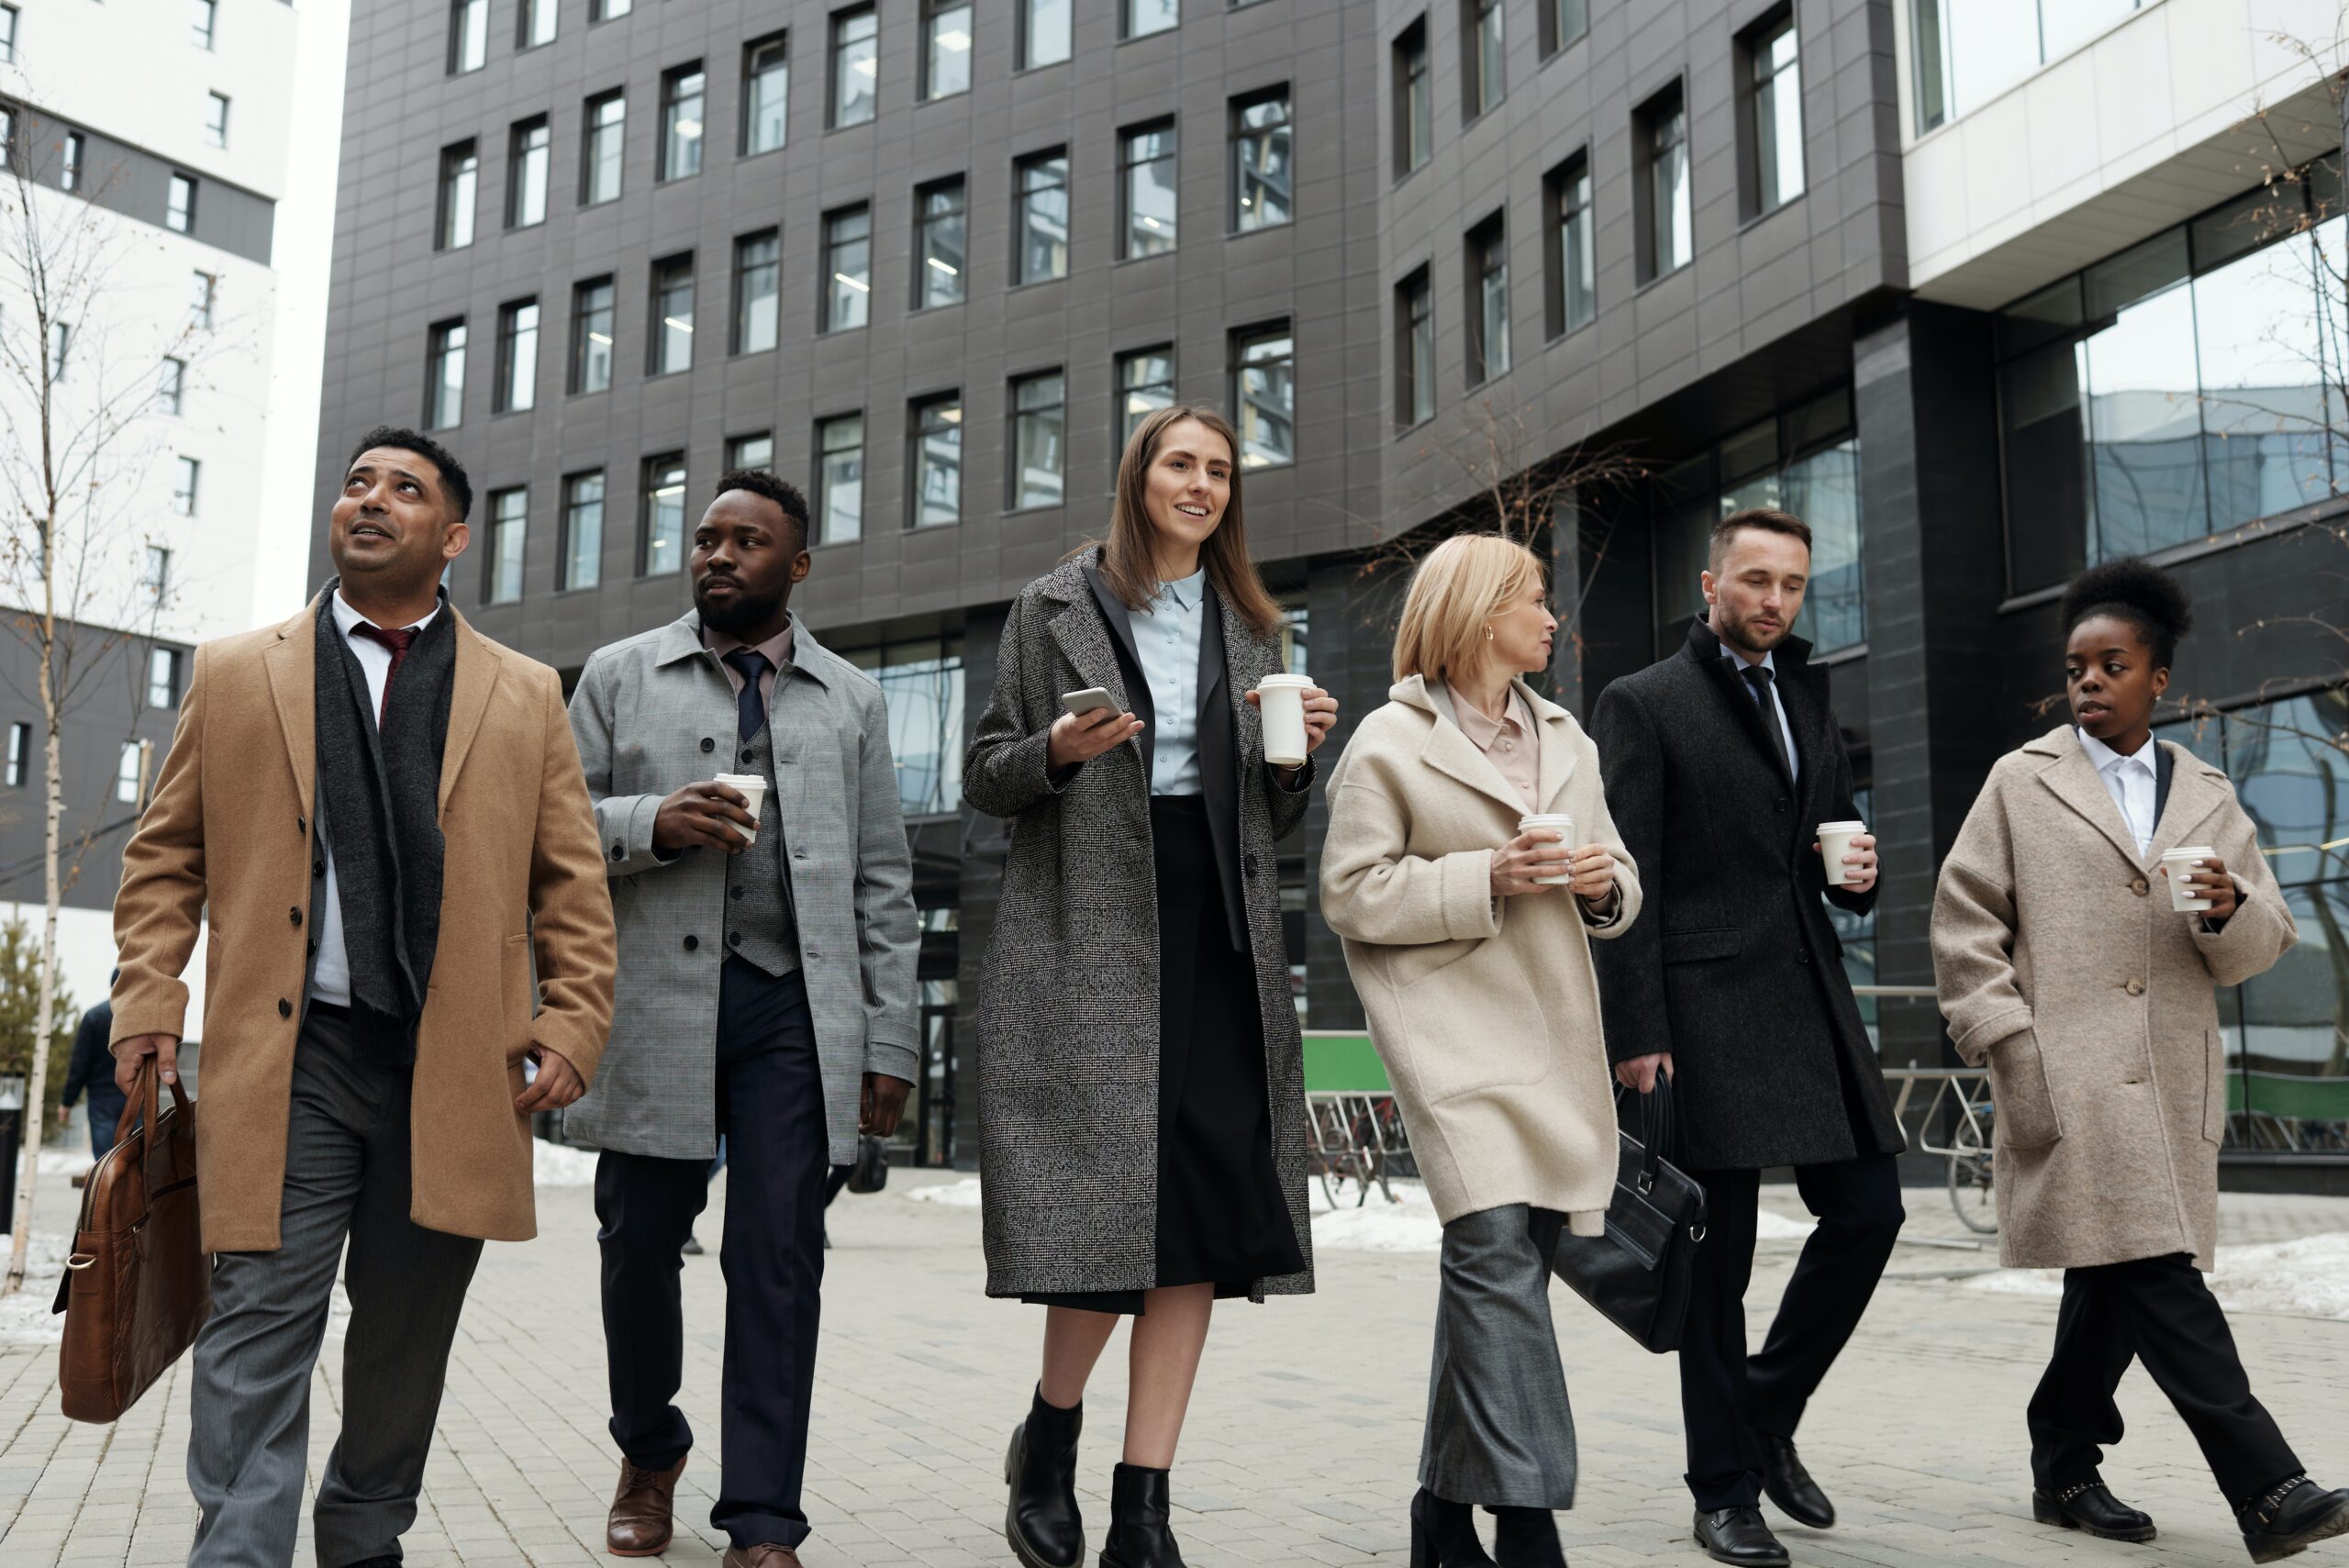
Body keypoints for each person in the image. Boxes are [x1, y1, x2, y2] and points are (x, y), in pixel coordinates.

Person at [108, 427, 617, 1568]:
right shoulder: (239, 671)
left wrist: (574, 1016)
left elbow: (571, 881)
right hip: (289, 1061)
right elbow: (164, 854)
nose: (370, 500)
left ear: (454, 535)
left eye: (405, 488)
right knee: (256, 1324)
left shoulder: (525, 692)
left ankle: (363, 1537)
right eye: (355, 484)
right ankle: (237, 1553)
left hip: (455, 1066)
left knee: (404, 1341)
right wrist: (149, 995)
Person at [966, 405, 1335, 1568]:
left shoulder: (1249, 625)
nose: (1203, 484)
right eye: (1182, 463)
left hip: (1219, 933)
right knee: (1105, 1210)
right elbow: (985, 774)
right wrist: (1058, 754)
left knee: (1205, 1220)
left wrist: (1298, 758)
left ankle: (1144, 1504)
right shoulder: (1054, 604)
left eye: (1220, 470)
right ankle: (1052, 1432)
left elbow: (1271, 822)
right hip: (1089, 928)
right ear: (1138, 475)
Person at [1932, 558, 2349, 1564]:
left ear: (2157, 677)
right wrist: (2006, 1038)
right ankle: (2267, 1483)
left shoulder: (2207, 793)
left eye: (2112, 663)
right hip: (2064, 1076)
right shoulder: (2020, 783)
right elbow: (1962, 921)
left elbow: (2265, 936)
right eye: (2075, 664)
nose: (2088, 680)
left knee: (2115, 1275)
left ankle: (2062, 1459)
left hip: (2169, 1082)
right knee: (2157, 1273)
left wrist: (2223, 907)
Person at [567, 470, 919, 1568]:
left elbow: (883, 883)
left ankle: (763, 1519)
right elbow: (548, 828)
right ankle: (649, 1445)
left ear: (797, 565)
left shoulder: (851, 699)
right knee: (636, 1249)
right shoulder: (619, 675)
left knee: (778, 1258)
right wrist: (650, 820)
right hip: (653, 1004)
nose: (719, 555)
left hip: (791, 1009)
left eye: (749, 541)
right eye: (707, 537)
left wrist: (890, 1039)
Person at [1587, 506, 1904, 1568]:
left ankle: (1764, 1408)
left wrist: (1855, 876)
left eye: (1793, 585)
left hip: (1809, 997)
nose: (1774, 600)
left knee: (1869, 1208)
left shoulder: (1804, 693)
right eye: (1755, 579)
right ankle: (1721, 1486)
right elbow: (1630, 878)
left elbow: (1824, 837)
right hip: (1703, 1012)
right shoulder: (1643, 702)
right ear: (1711, 581)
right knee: (1712, 1267)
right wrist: (1636, 1029)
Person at [1319, 534, 1642, 1568]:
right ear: (1475, 610)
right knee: (1495, 1248)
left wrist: (1599, 884)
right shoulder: (1385, 740)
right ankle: (1528, 1520)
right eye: (1533, 599)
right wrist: (1484, 876)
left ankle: (1441, 1506)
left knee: (1505, 1267)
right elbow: (1350, 891)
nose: (1551, 619)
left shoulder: (1569, 739)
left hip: (1551, 1031)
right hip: (1447, 1026)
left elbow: (1620, 882)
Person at [58, 975, 127, 1165]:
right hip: (135, 1095)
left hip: (101, 1098)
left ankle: (107, 1195)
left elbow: (80, 1064)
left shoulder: (95, 1016)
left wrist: (67, 1102)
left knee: (105, 1163)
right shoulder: (144, 1018)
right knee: (134, 1160)